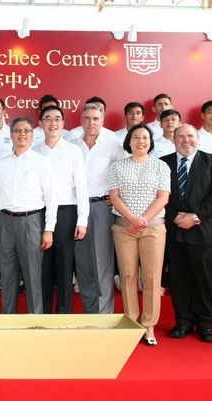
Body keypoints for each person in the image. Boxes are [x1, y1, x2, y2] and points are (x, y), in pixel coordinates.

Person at [160, 124, 212, 343]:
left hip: (205, 232)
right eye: (180, 136)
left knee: (205, 280)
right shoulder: (163, 164)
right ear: (174, 139)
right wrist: (175, 217)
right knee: (179, 280)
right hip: (175, 231)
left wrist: (195, 217)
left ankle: (205, 324)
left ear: (198, 138)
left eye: (190, 136)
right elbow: (158, 196)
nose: (186, 140)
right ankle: (183, 322)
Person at [109, 124, 171, 346]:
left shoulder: (161, 166)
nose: (141, 141)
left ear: (150, 142)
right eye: (136, 137)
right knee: (127, 277)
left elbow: (163, 198)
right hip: (124, 229)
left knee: (152, 279)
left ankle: (149, 325)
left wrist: (143, 219)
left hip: (153, 230)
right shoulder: (117, 166)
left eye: (145, 137)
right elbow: (114, 197)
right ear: (129, 141)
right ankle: (132, 322)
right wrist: (133, 220)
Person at [0, 116, 58, 314]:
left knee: (32, 276)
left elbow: (51, 198)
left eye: (26, 130)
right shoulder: (1, 163)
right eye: (17, 130)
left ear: (32, 135)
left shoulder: (42, 162)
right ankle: (8, 319)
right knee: (7, 275)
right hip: (5, 222)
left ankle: (35, 320)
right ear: (11, 134)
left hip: (31, 222)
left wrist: (49, 230)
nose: (22, 134)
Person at [34, 105, 88, 314]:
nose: (53, 123)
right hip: (40, 214)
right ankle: (43, 313)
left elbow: (82, 187)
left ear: (63, 124)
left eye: (57, 119)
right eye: (48, 118)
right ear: (40, 124)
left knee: (65, 269)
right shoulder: (35, 151)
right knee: (43, 268)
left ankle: (63, 315)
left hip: (66, 214)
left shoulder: (73, 151)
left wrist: (82, 220)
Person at [72, 103, 123, 314]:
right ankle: (89, 309)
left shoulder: (113, 145)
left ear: (102, 121)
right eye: (87, 118)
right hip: (75, 209)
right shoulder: (72, 145)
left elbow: (124, 173)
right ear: (81, 120)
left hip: (101, 208)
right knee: (82, 263)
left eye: (95, 119)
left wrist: (118, 197)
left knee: (102, 262)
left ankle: (104, 315)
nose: (91, 123)